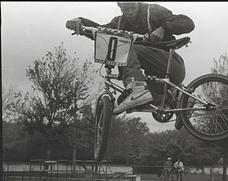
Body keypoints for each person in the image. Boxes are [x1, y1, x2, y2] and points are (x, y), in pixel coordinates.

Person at [65, 2, 195, 124]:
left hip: (170, 64)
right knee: (125, 99)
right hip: (158, 80)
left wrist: (163, 28)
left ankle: (137, 89)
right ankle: (179, 100)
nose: (130, 12)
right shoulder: (119, 22)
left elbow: (188, 23)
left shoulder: (153, 11)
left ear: (139, 3)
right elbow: (101, 32)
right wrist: (80, 22)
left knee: (125, 47)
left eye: (133, 7)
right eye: (126, 9)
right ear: (120, 7)